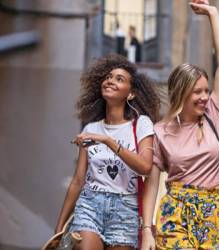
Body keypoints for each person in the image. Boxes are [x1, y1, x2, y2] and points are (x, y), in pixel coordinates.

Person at [141, 1, 219, 249]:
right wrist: (147, 230)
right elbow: (151, 183)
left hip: (215, 212)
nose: (205, 97)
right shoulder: (160, 131)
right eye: (197, 92)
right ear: (181, 93)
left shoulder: (214, 114)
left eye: (207, 90)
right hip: (176, 213)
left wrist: (212, 14)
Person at [55, 54, 160, 250]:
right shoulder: (90, 129)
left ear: (131, 94)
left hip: (125, 209)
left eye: (119, 79)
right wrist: (59, 228)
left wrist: (108, 141)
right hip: (90, 205)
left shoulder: (142, 125)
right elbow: (78, 181)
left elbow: (145, 167)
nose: (110, 81)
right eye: (108, 77)